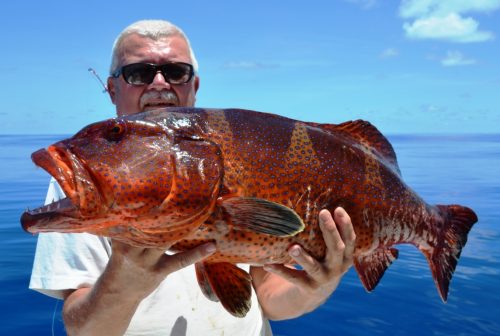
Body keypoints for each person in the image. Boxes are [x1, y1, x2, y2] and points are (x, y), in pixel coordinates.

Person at [29, 20, 356, 336]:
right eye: (139, 73)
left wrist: (317, 285)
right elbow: (84, 331)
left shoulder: (243, 153)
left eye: (175, 72)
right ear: (112, 90)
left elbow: (269, 298)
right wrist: (122, 284)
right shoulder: (86, 190)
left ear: (193, 86)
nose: (159, 83)